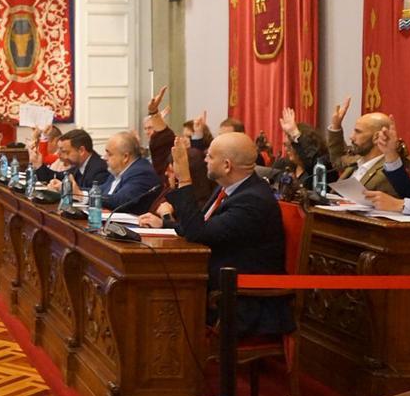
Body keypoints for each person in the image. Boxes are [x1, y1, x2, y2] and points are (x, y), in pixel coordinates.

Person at [139, 134, 293, 338]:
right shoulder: (227, 189)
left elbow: (198, 233)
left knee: (159, 289)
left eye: (210, 157)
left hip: (242, 300)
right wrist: (165, 223)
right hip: (217, 280)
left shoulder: (252, 200)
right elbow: (203, 225)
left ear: (227, 165)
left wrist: (185, 179)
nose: (205, 160)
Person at [64, 131, 160, 214]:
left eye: (109, 154)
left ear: (125, 157)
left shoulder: (142, 173)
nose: (104, 157)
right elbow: (101, 190)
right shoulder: (118, 170)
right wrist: (72, 190)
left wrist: (82, 195)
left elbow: (119, 200)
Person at [324, 96, 398, 196]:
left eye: (357, 132)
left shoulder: (388, 174)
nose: (351, 137)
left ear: (376, 137)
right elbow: (338, 159)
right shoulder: (357, 160)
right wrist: (336, 126)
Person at [142, 86, 175, 179]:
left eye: (150, 128)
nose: (148, 132)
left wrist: (154, 113)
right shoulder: (144, 150)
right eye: (145, 128)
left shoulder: (166, 143)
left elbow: (163, 138)